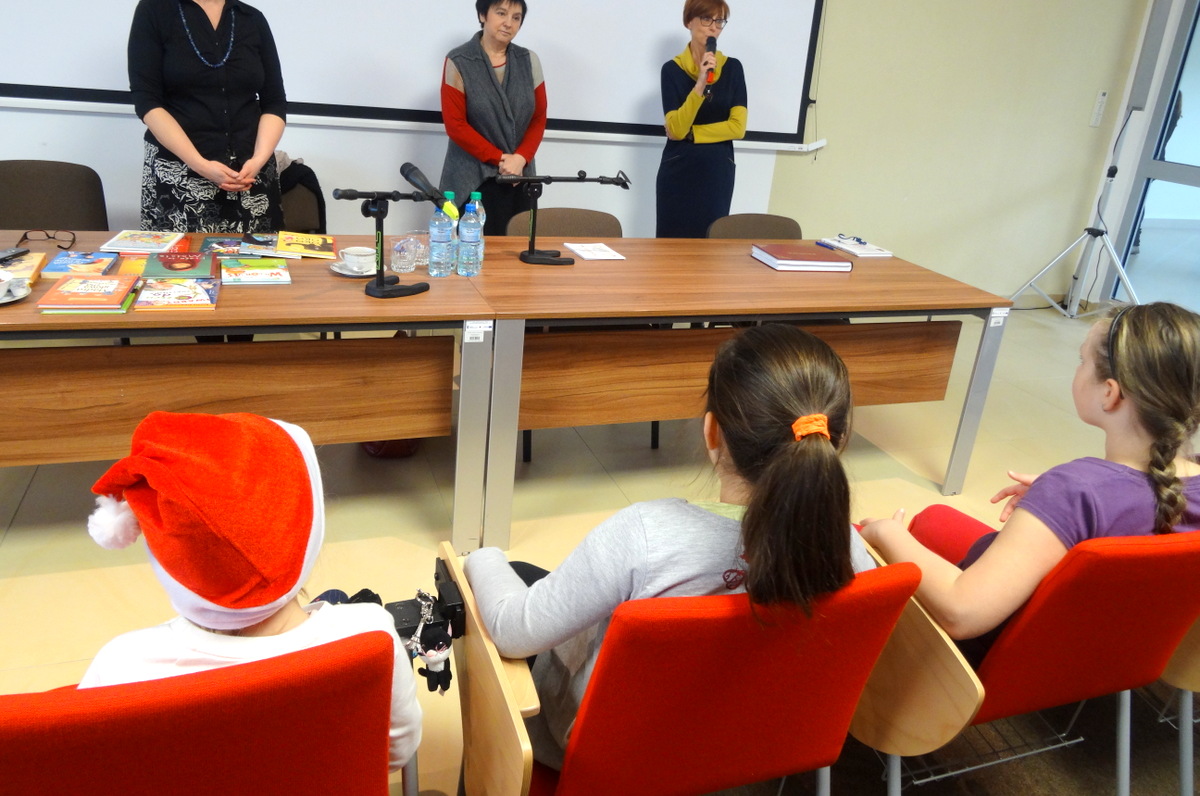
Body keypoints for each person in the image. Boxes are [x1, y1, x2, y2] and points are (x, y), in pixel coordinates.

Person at [465, 323, 876, 768]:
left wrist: (477, 557)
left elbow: (512, 632)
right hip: (749, 744)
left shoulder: (644, 538)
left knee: (498, 582)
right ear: (837, 440)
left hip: (615, 753)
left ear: (712, 433)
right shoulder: (850, 554)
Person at [78, 411, 422, 772]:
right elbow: (395, 751)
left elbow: (95, 770)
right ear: (308, 535)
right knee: (336, 600)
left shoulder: (122, 667)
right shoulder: (368, 636)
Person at [859, 302, 1200, 663]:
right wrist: (1056, 506)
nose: (1078, 368)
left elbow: (961, 612)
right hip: (1113, 658)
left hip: (981, 666)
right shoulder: (1085, 492)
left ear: (1109, 393)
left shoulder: (1075, 491)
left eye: (1082, 360)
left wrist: (886, 533)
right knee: (935, 518)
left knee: (866, 539)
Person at [129, 0, 287, 233]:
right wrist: (200, 164)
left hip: (249, 177)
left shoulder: (252, 20)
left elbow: (274, 101)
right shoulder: (154, 14)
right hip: (180, 175)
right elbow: (148, 102)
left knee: (255, 265)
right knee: (180, 267)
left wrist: (258, 161)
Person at [438, 0, 547, 235]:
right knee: (472, 251)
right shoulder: (458, 60)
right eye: (501, 13)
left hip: (520, 175)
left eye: (516, 18)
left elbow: (538, 117)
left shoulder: (529, 60)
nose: (509, 23)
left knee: (520, 250)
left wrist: (520, 158)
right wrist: (500, 159)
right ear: (482, 15)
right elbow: (455, 125)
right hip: (473, 179)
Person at [655, 0, 747, 238]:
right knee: (670, 247)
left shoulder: (733, 68)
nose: (714, 27)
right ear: (689, 21)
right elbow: (676, 129)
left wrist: (693, 134)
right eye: (707, 19)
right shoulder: (671, 70)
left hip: (717, 170)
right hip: (678, 169)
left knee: (710, 243)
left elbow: (737, 127)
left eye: (720, 21)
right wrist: (699, 85)